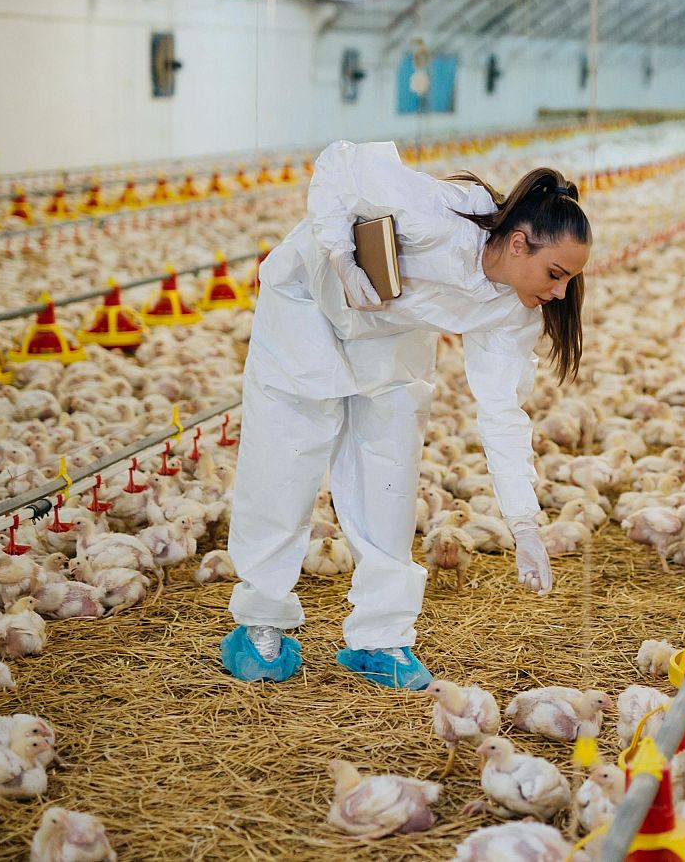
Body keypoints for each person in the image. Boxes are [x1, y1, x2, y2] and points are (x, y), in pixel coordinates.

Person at [220, 139, 590, 688]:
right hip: (310, 306)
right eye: (555, 273)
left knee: (391, 475)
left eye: (567, 281)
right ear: (518, 243)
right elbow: (339, 165)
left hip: (389, 332)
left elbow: (501, 412)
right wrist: (343, 260)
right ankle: (260, 621)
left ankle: (382, 636)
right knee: (285, 460)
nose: (560, 292)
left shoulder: (512, 310)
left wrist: (523, 523)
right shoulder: (440, 214)